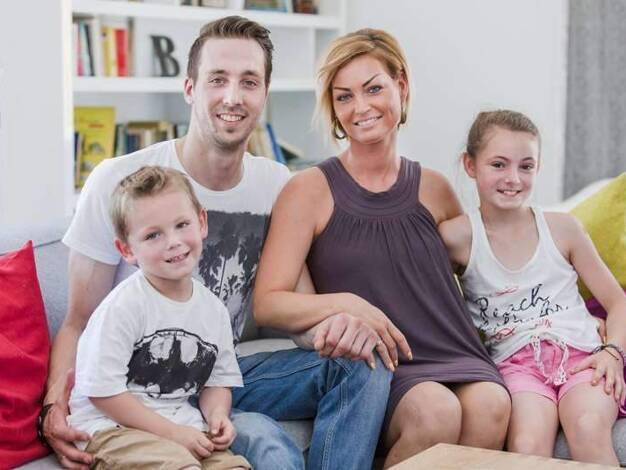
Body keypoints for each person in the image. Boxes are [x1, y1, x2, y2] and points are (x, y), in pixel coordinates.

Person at [42, 15, 391, 470]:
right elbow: (78, 320)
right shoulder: (118, 180)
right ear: (190, 88)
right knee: (266, 441)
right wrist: (53, 407)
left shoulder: (277, 184)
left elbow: (297, 310)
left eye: (249, 82)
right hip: (140, 386)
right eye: (217, 79)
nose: (233, 97)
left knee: (364, 361)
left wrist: (337, 328)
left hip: (223, 374)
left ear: (264, 93)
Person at [252, 28, 511, 469]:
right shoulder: (307, 190)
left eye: (373, 88)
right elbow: (268, 303)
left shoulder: (435, 188)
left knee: (492, 404)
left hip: (453, 348)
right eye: (344, 96)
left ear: (401, 87)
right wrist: (348, 305)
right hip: (384, 363)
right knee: (436, 411)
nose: (361, 107)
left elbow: (479, 277)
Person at [438, 109, 626, 465]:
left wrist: (612, 353)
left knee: (587, 426)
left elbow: (618, 302)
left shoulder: (563, 229)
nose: (513, 178)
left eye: (526, 166)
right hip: (516, 365)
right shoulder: (456, 238)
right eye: (499, 164)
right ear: (470, 165)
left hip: (582, 356)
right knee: (527, 443)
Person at [68, 165, 249, 469]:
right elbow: (102, 392)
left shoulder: (213, 310)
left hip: (181, 425)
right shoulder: (123, 306)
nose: (173, 241)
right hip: (112, 428)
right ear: (127, 249)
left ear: (201, 222)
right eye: (153, 235)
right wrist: (173, 434)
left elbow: (217, 382)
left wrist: (217, 415)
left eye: (182, 224)